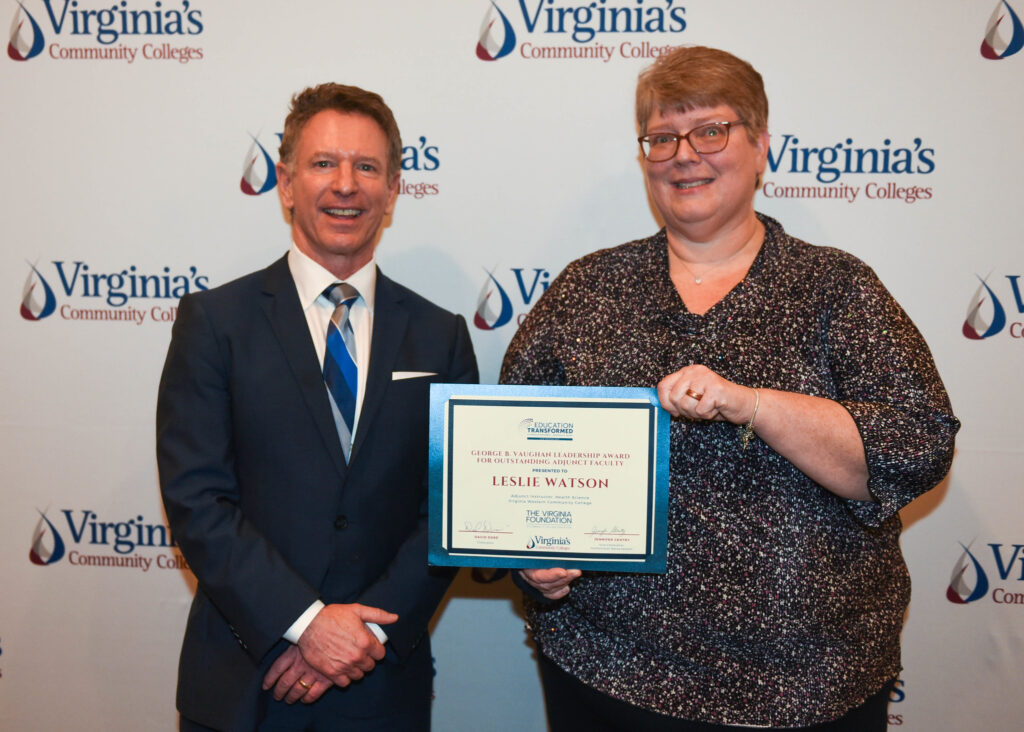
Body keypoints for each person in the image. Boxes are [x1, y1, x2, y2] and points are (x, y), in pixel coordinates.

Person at [501, 46, 959, 731]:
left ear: (761, 147)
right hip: (610, 673)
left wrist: (751, 404)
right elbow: (511, 451)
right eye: (662, 137)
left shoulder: (837, 288)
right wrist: (530, 558)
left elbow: (915, 446)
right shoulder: (586, 289)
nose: (684, 155)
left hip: (808, 687)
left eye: (711, 130)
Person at [157, 83, 478, 731]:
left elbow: (452, 509)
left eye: (367, 167)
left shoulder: (440, 334)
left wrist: (360, 637)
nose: (346, 185)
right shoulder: (215, 322)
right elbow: (198, 499)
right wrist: (303, 624)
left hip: (383, 681)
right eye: (324, 163)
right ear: (285, 182)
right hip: (249, 678)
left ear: (392, 191)